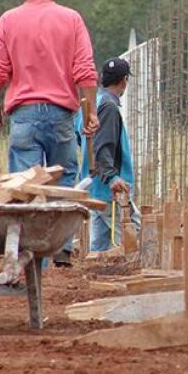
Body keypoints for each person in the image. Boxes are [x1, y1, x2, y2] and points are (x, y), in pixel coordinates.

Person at [0, 0, 99, 267]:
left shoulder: (7, 21)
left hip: (24, 115)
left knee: (25, 188)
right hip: (62, 114)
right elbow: (85, 71)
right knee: (64, 181)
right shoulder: (71, 19)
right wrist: (91, 113)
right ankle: (61, 248)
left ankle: (30, 260)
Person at [75, 58, 138, 252]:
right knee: (133, 242)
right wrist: (112, 177)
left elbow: (81, 138)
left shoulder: (92, 104)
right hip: (111, 189)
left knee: (99, 246)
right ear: (123, 81)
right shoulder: (109, 107)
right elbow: (103, 147)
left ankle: (92, 277)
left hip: (94, 186)